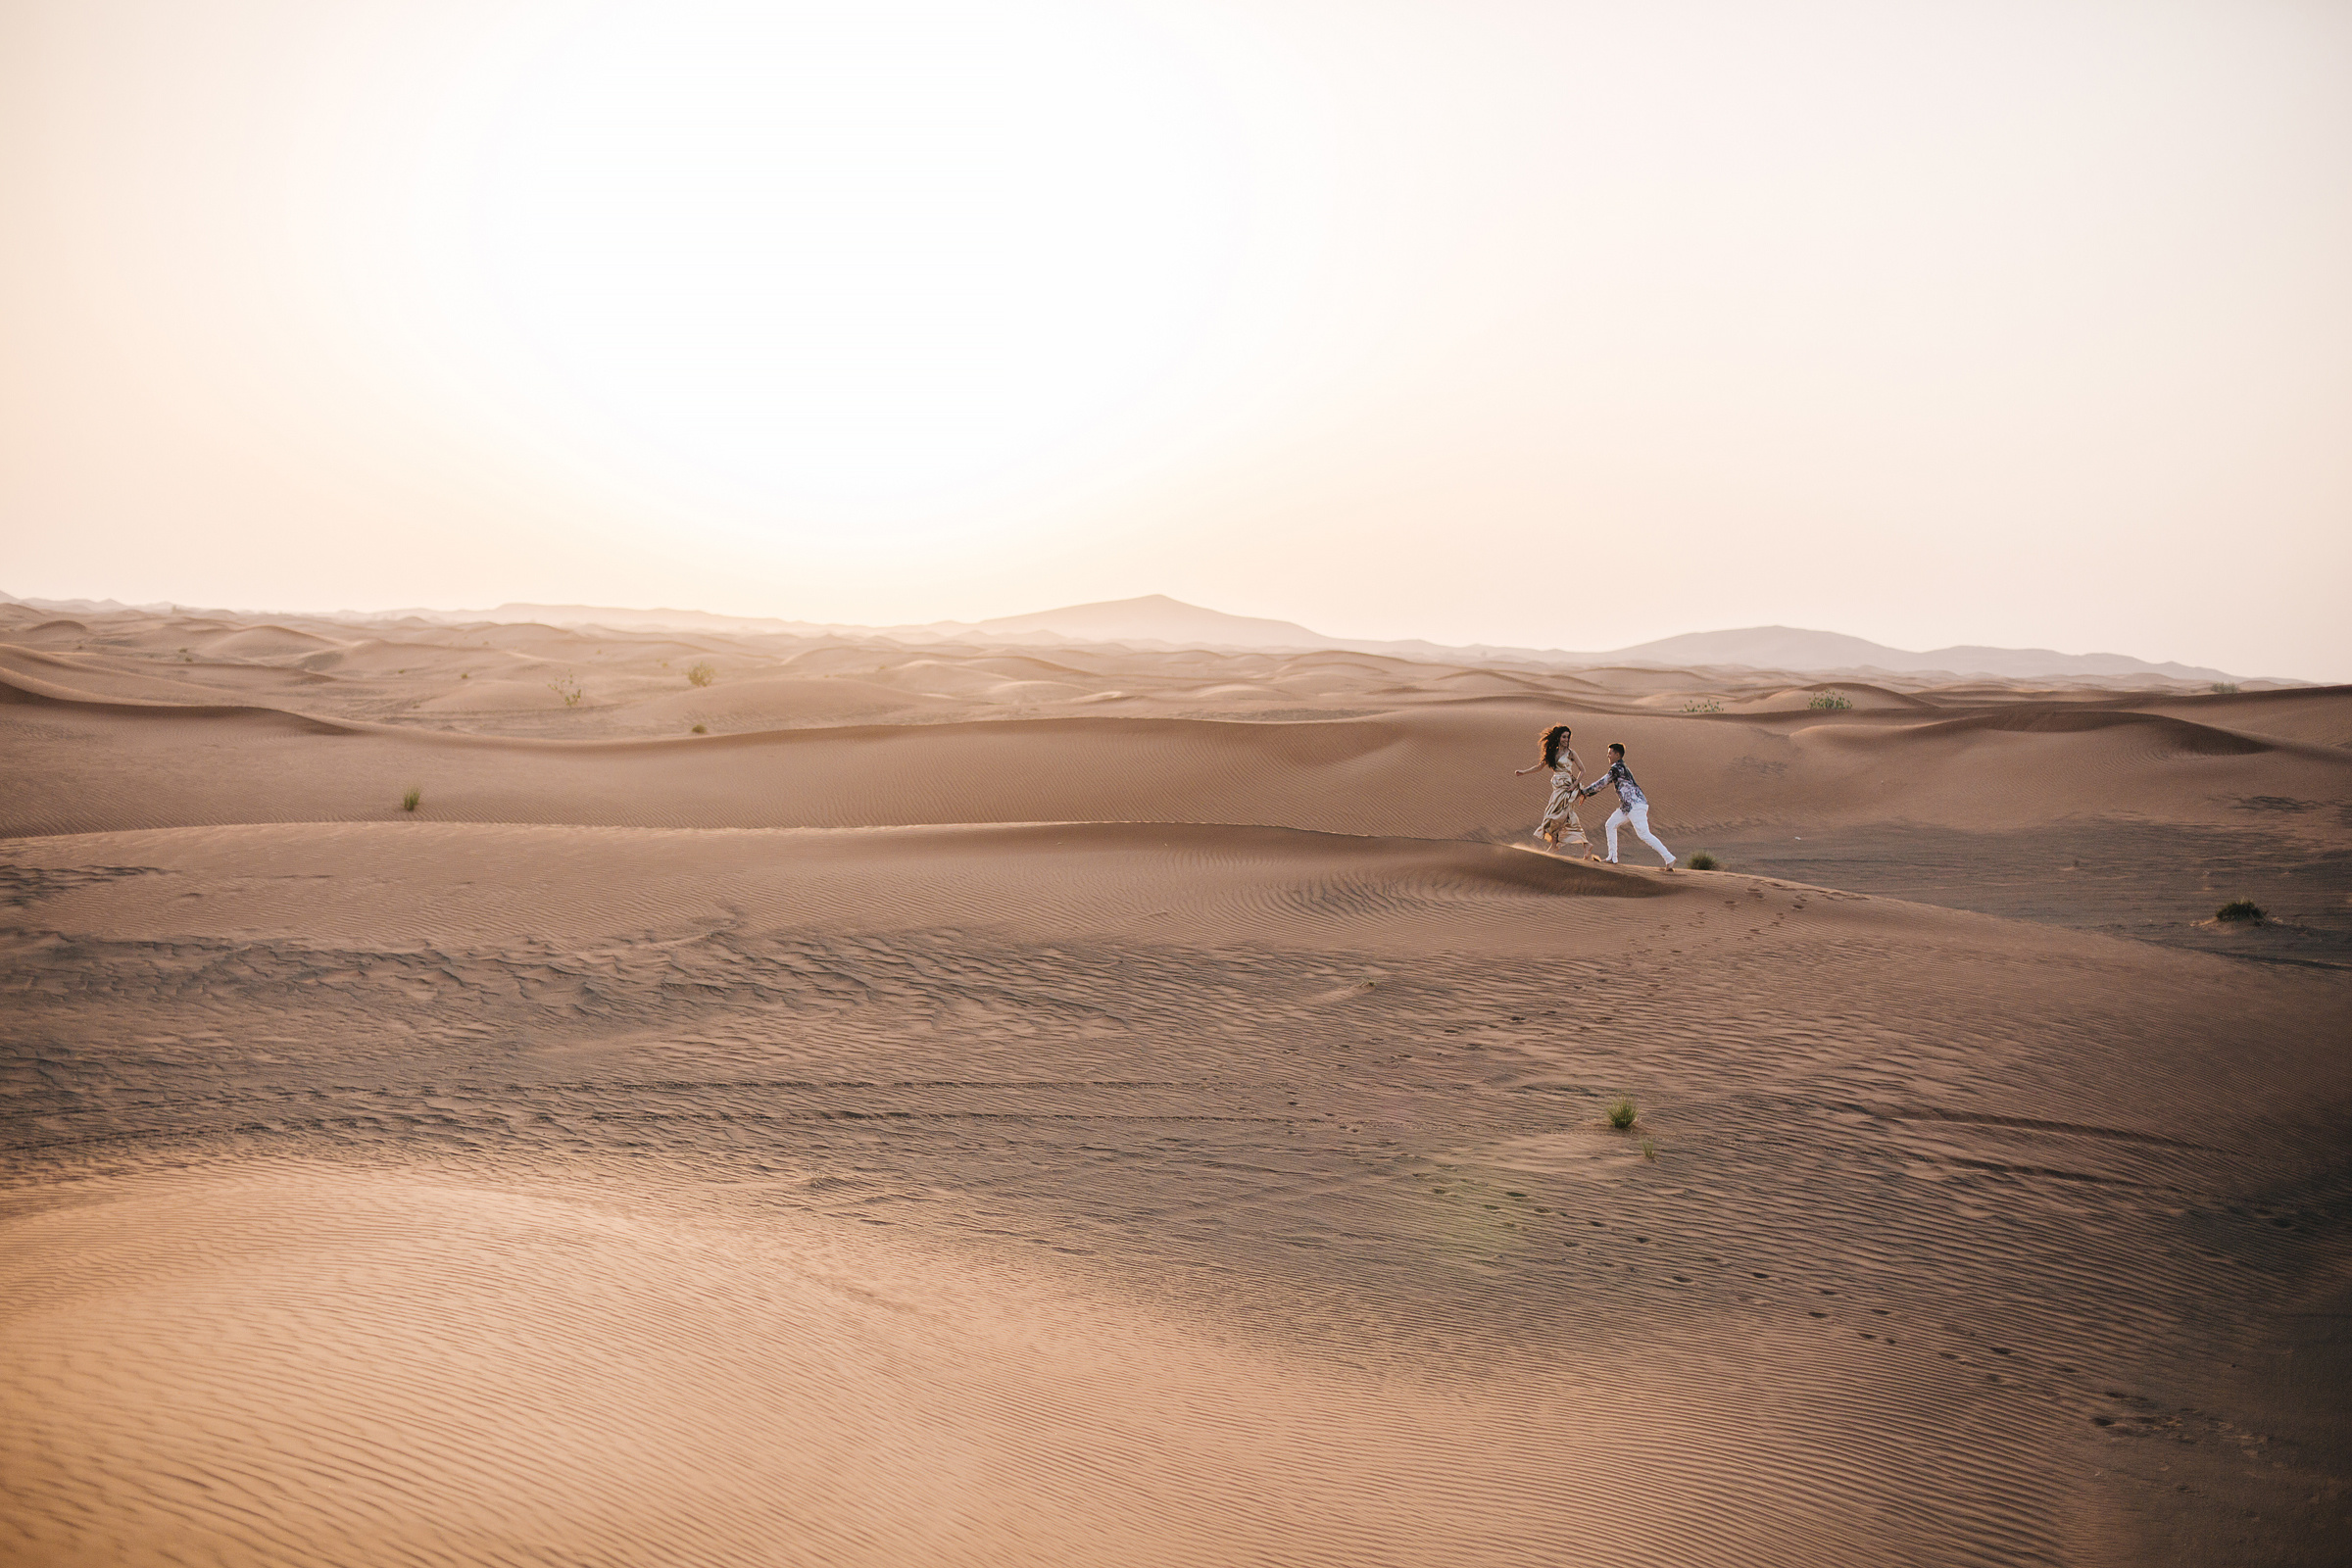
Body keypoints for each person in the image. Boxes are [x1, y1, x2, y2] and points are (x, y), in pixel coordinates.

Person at [1578, 742, 1676, 870]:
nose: (1608, 756)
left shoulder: (1617, 768)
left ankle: (1669, 858)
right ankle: (1612, 857)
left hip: (1635, 805)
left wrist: (1584, 792)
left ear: (1617, 754)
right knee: (1610, 824)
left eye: (1610, 753)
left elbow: (1603, 782)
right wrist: (1586, 794)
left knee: (1644, 834)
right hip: (1627, 807)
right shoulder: (1620, 767)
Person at [1513, 723, 1593, 855]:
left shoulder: (1571, 753)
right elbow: (1539, 767)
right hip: (1557, 787)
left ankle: (1574, 844)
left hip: (1567, 787)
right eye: (1564, 737)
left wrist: (1574, 785)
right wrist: (1523, 772)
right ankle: (1579, 844)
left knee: (1557, 815)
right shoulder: (1552, 752)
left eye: (1568, 737)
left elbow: (1582, 771)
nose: (1566, 740)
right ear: (1558, 738)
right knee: (1557, 816)